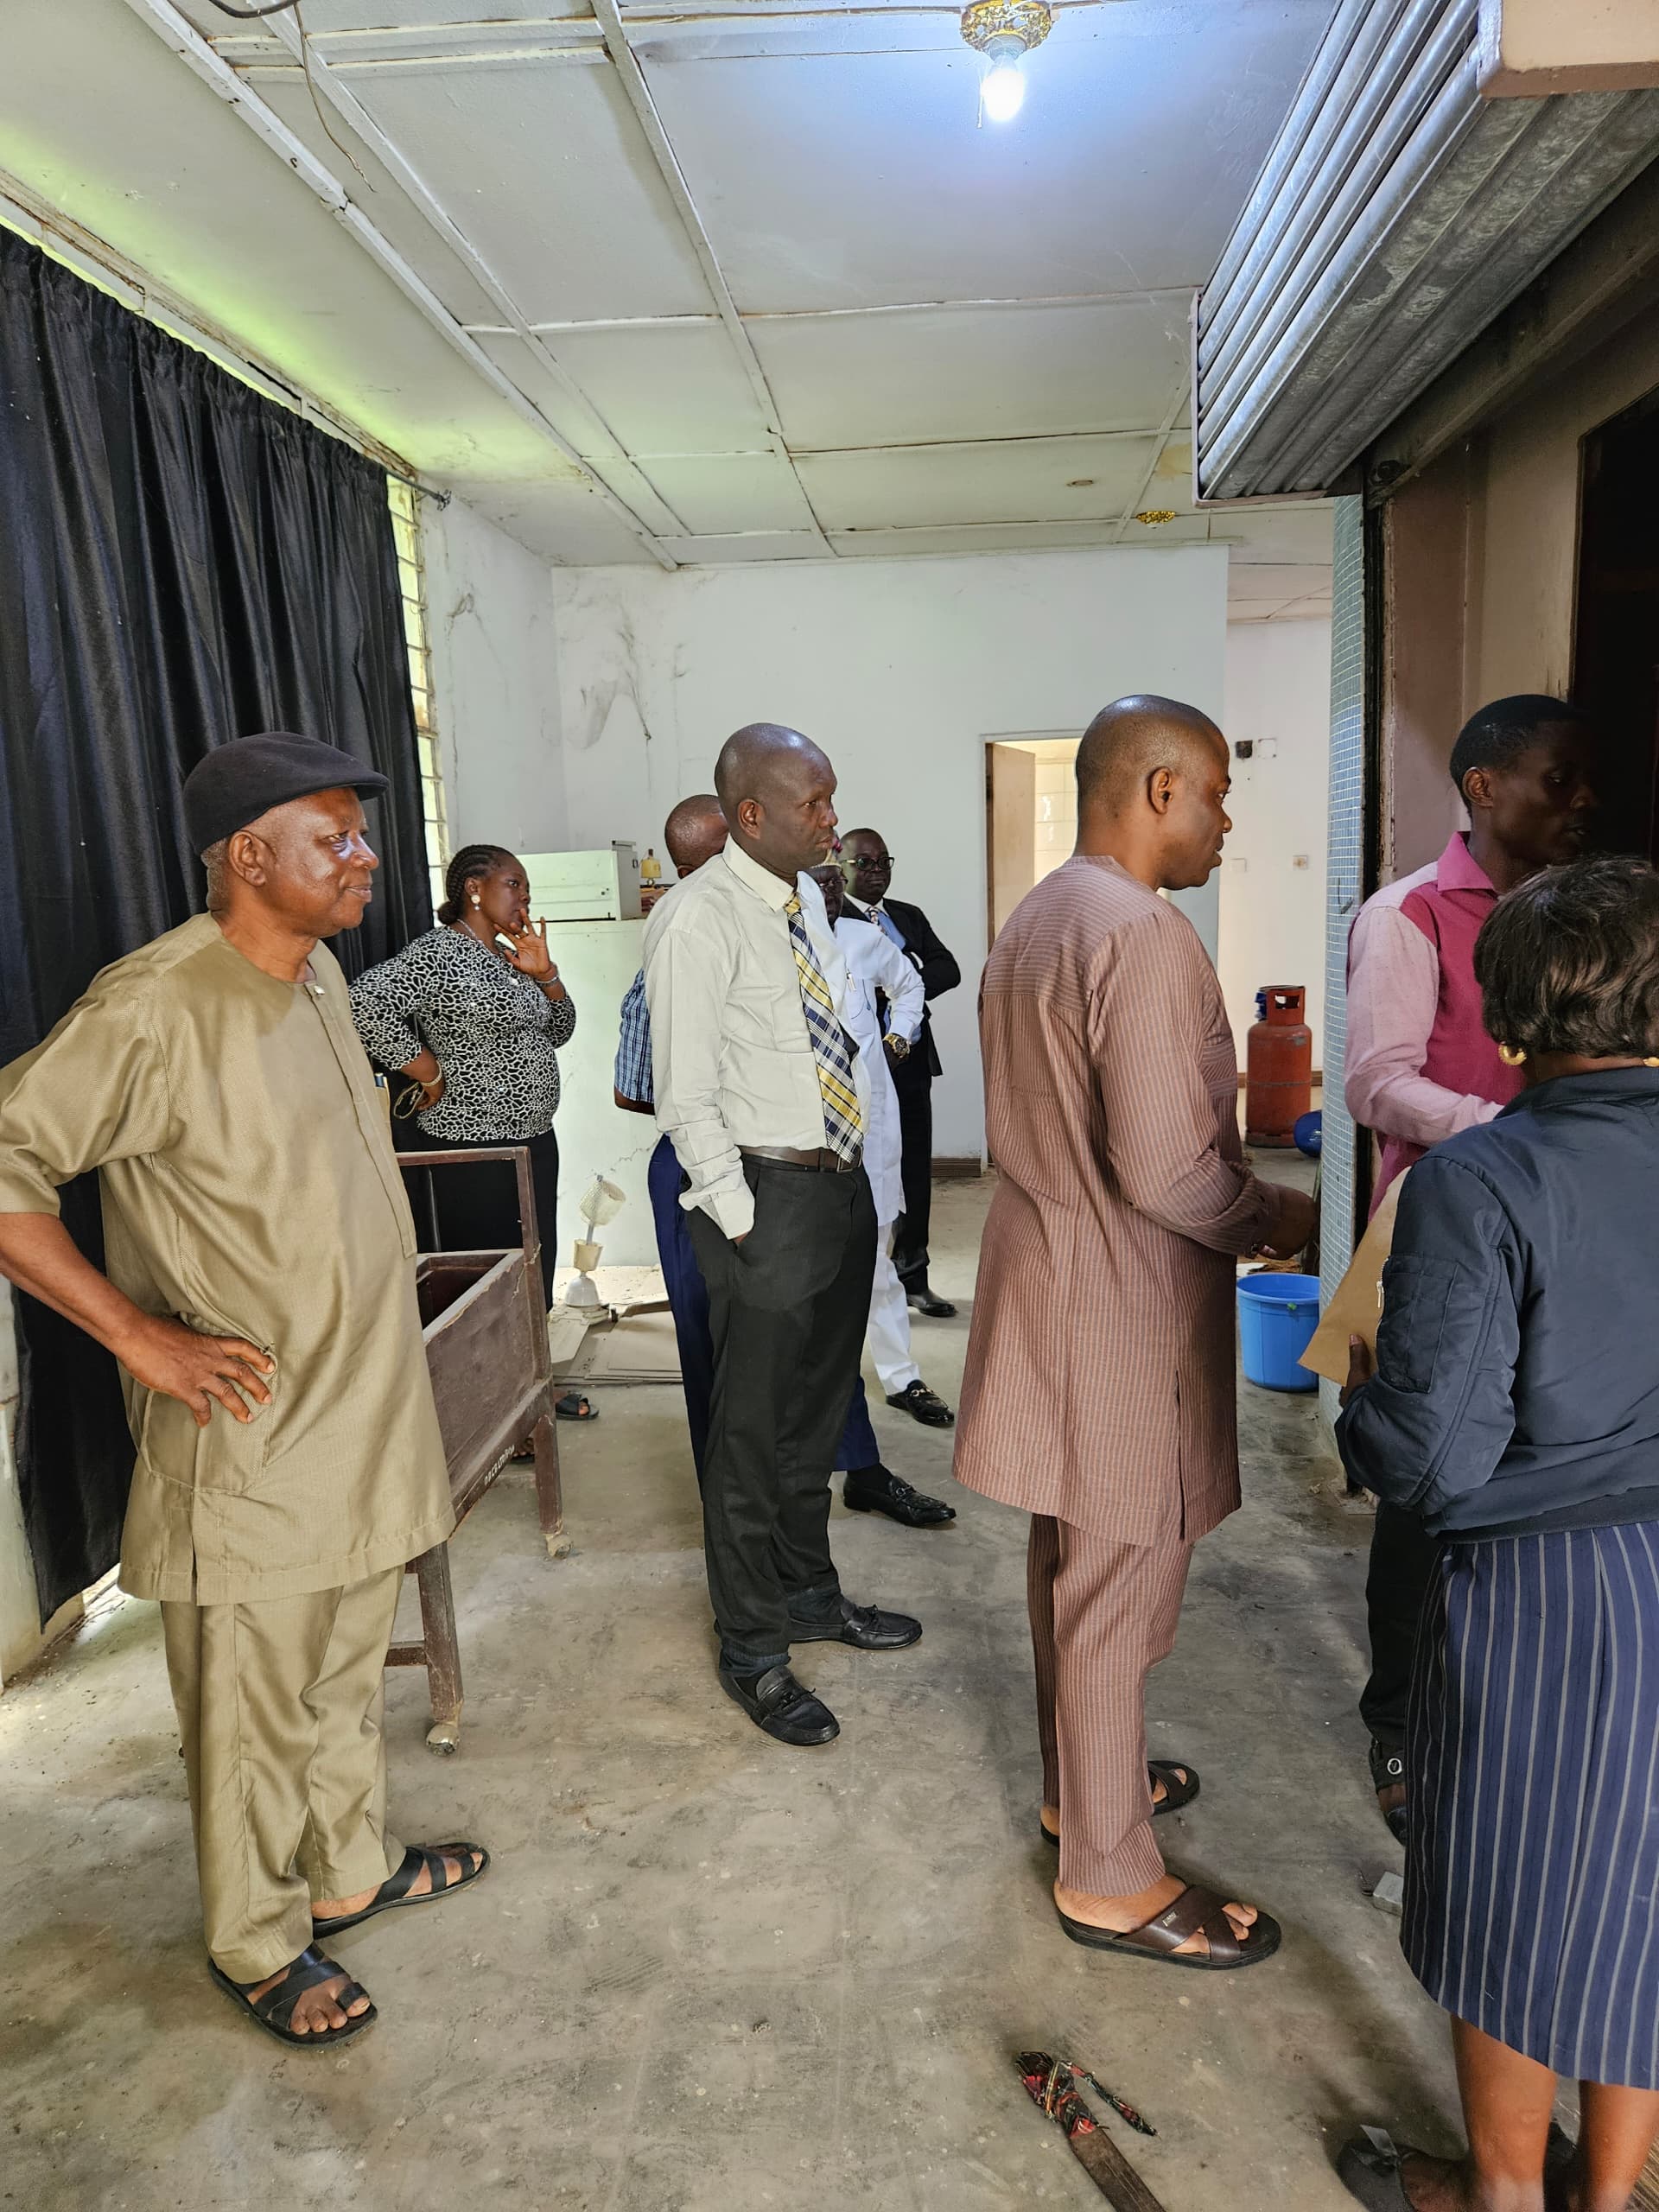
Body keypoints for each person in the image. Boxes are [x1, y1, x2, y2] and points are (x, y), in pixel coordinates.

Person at [0, 732, 486, 2049]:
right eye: (338, 839)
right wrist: (139, 1339)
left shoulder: (318, 972)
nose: (367, 858)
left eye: (360, 834)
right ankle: (259, 1942)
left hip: (363, 1417)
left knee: (338, 1676)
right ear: (249, 857)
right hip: (254, 1439)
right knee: (251, 1708)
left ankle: (349, 1871)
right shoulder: (155, 1006)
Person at [954, 696, 1314, 1970]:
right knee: (1115, 1590)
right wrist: (1288, 1218)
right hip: (1119, 1308)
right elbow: (1168, 1171)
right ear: (1160, 789)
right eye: (1217, 794)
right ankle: (1108, 1876)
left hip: (1051, 1280)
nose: (1224, 823)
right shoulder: (1143, 935)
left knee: (1072, 1562)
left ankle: (1083, 1790)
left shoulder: (1040, 918)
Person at [1336, 855, 1659, 2212]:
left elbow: (1432, 1455)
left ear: (1511, 1021)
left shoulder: (1482, 1181)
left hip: (1550, 1598)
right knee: (1639, 1904)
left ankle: (1505, 2196)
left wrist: (1363, 1404)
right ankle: (1608, 2195)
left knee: (1518, 1912)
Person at [1344, 696, 1597, 1841]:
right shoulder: (1410, 915)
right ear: (1485, 787)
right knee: (1428, 1477)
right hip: (1451, 1235)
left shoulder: (1588, 916)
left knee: (1541, 1462)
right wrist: (1510, 1134)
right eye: (1559, 778)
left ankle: (1512, 1703)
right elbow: (1377, 1081)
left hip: (1570, 1229)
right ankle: (1399, 1721)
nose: (1582, 800)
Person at [644, 724, 923, 1748]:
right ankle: (754, 1649)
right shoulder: (695, 917)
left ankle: (810, 1596)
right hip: (763, 1197)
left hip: (838, 1189)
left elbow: (833, 1041)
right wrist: (742, 1216)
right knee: (751, 1440)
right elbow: (685, 1092)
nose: (832, 820)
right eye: (814, 803)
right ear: (751, 814)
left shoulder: (805, 898)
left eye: (832, 797)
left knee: (816, 1416)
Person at [616, 810, 953, 1529]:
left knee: (824, 1338)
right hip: (714, 1171)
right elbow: (645, 1090)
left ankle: (857, 1470)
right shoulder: (684, 945)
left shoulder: (799, 934)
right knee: (721, 1353)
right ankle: (733, 1508)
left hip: (799, 1173)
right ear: (707, 865)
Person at [349, 842, 593, 1421]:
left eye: (527, 888)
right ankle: (492, 1409)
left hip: (533, 1140)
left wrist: (548, 976)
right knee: (490, 1278)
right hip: (474, 1145)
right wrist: (425, 1069)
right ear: (475, 890)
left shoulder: (510, 957)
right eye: (514, 884)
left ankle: (530, 1391)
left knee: (534, 1266)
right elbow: (364, 1005)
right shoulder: (439, 954)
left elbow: (559, 1031)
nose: (525, 897)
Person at [809, 862, 957, 1450]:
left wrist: (901, 1032)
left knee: (875, 1255)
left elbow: (911, 984)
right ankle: (818, 1387)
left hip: (869, 1124)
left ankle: (901, 1377)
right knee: (809, 1264)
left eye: (833, 881)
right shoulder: (771, 944)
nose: (829, 890)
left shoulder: (862, 937)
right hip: (801, 1130)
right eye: (816, 880)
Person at [839, 828, 961, 1318]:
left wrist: (901, 979)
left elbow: (947, 969)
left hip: (910, 1061)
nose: (876, 872)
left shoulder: (907, 916)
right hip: (858, 1066)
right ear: (840, 867)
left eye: (883, 862)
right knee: (866, 1169)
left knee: (914, 1169)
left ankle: (914, 1277)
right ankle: (864, 1281)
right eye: (864, 863)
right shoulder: (834, 918)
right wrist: (883, 982)